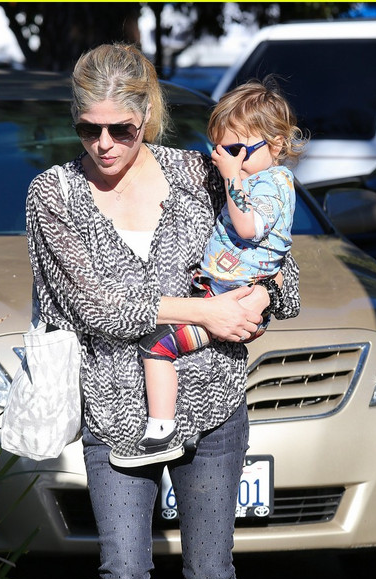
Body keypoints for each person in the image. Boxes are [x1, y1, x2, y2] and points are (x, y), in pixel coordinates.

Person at [26, 43, 300, 579]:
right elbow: (98, 307)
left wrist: (256, 302)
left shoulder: (197, 169)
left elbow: (282, 266)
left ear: (147, 116)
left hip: (212, 402)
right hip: (114, 410)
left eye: (121, 128)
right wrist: (207, 306)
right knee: (122, 574)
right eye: (89, 130)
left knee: (209, 573)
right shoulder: (53, 194)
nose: (105, 145)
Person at [112, 78, 305, 467]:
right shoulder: (256, 176)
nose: (223, 159)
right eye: (218, 149)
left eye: (237, 150)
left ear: (278, 145)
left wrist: (232, 175)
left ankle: (160, 432)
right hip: (224, 295)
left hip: (235, 301)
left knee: (158, 348)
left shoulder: (272, 184)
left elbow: (251, 228)